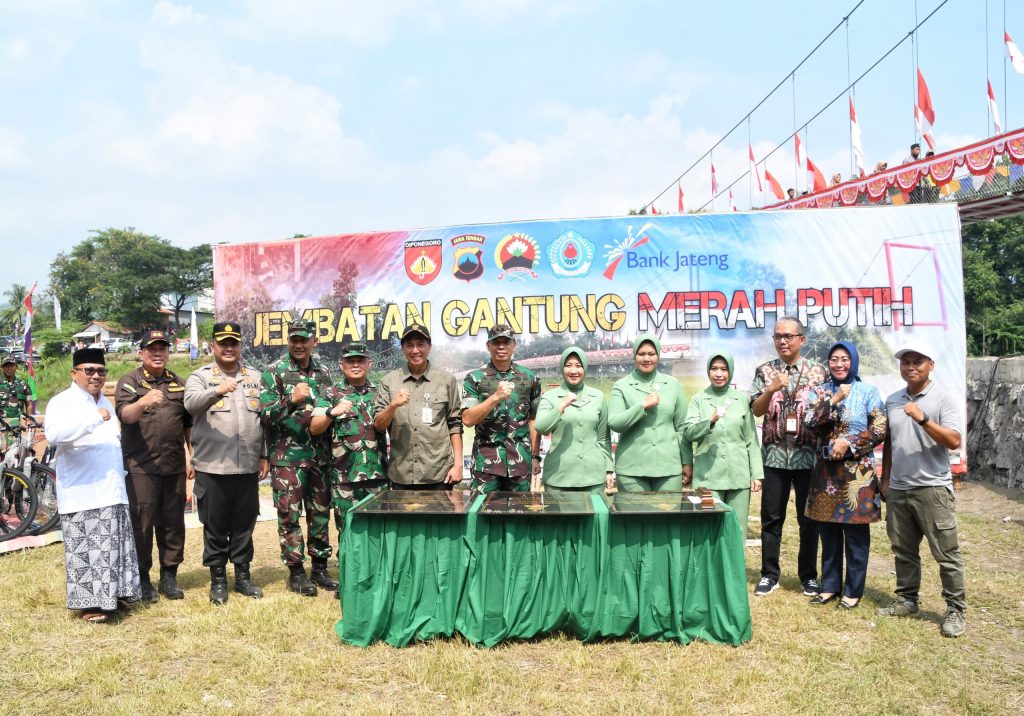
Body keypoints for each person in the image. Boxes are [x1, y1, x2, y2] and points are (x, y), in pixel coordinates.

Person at [877, 341, 966, 638]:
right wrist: (885, 477)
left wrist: (923, 418)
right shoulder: (893, 400)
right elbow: (890, 442)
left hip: (933, 489)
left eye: (918, 361)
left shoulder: (942, 399)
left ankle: (955, 609)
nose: (911, 367)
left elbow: (954, 441)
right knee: (903, 549)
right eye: (906, 362)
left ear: (931, 365)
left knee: (946, 553)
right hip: (900, 489)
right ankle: (907, 599)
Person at [45, 348, 140, 622]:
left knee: (112, 547)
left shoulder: (105, 403)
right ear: (74, 374)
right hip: (83, 491)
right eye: (89, 370)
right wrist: (94, 417)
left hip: (111, 488)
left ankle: (112, 598)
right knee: (88, 550)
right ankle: (91, 605)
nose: (96, 376)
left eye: (101, 371)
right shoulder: (62, 402)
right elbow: (54, 434)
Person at [184, 322, 267, 605]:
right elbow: (191, 405)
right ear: (213, 346)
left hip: (247, 466)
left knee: (244, 524)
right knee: (216, 525)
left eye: (234, 343)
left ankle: (243, 576)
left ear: (240, 345)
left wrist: (264, 454)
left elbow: (263, 419)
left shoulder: (255, 377)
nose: (229, 348)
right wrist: (217, 390)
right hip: (213, 466)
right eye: (223, 343)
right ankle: (218, 580)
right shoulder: (200, 376)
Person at [803, 341, 886, 609]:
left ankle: (853, 591)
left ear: (854, 361)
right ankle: (829, 587)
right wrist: (833, 399)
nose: (839, 364)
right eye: (834, 359)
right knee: (827, 532)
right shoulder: (820, 390)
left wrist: (849, 443)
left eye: (844, 359)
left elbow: (881, 428)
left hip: (857, 475)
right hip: (825, 474)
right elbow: (809, 423)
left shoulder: (868, 391)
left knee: (855, 535)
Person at [749, 317, 827, 597]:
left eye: (788, 336)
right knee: (771, 519)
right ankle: (770, 574)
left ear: (801, 339)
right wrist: (771, 389)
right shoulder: (765, 371)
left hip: (808, 459)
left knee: (808, 520)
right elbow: (756, 411)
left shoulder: (819, 372)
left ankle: (808, 576)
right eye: (777, 336)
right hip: (774, 459)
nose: (782, 341)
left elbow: (826, 413)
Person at [115, 329, 193, 603]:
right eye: (152, 349)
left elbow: (187, 425)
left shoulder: (179, 383)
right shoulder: (129, 382)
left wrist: (191, 454)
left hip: (173, 465)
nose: (158, 353)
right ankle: (143, 578)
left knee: (173, 523)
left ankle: (169, 576)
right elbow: (125, 415)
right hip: (141, 467)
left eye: (162, 349)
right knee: (142, 524)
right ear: (142, 353)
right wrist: (144, 401)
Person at [259, 319, 334, 597]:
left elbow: (330, 408)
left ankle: (320, 567)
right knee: (289, 515)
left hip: (320, 457)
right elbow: (264, 415)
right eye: (294, 340)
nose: (298, 345)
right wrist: (290, 400)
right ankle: (296, 572)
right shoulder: (274, 372)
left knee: (319, 514)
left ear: (314, 341)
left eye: (304, 340)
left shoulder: (324, 373)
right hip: (287, 458)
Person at [311, 341, 388, 541]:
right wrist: (331, 413)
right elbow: (315, 427)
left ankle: (377, 573)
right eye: (350, 361)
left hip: (378, 477)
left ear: (369, 364)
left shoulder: (380, 392)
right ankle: (349, 572)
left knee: (379, 532)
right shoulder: (330, 394)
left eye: (360, 360)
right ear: (341, 365)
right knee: (347, 532)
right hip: (344, 479)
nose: (355, 365)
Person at [373, 324, 463, 489]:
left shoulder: (445, 380)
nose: (415, 350)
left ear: (429, 347)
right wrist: (393, 405)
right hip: (402, 474)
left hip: (439, 474)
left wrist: (458, 465)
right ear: (402, 349)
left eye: (420, 344)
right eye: (409, 345)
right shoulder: (389, 381)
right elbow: (379, 425)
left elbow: (455, 424)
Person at [683, 352, 762, 536]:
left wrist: (756, 474)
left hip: (738, 476)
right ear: (708, 371)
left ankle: (735, 566)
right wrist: (709, 421)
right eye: (714, 368)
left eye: (724, 369)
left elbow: (751, 439)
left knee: (736, 529)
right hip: (708, 478)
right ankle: (709, 566)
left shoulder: (741, 399)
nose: (719, 374)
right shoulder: (698, 399)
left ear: (731, 372)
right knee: (708, 528)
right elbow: (689, 433)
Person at [462, 324, 541, 492]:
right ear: (488, 346)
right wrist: (495, 398)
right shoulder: (475, 378)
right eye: (496, 342)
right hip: (486, 463)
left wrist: (535, 456)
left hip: (520, 462)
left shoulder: (530, 378)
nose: (501, 346)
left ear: (514, 345)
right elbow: (468, 419)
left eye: (506, 342)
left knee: (519, 515)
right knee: (483, 513)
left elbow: (533, 419)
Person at [608, 334, 692, 492]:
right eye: (641, 354)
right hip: (631, 469)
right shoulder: (621, 386)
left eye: (651, 354)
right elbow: (614, 423)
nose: (646, 358)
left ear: (658, 356)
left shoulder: (673, 385)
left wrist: (687, 461)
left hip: (669, 468)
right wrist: (642, 405)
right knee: (637, 517)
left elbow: (681, 427)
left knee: (668, 513)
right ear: (634, 356)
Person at [534, 347, 614, 495]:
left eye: (578, 366)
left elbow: (603, 437)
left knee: (594, 517)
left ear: (585, 368)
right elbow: (541, 427)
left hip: (594, 476)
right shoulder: (550, 397)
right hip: (559, 477)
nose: (573, 371)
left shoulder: (598, 397)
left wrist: (609, 469)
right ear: (562, 367)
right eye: (568, 365)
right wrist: (561, 405)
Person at [0, 352, 30, 448]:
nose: (9, 368)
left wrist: (28, 420)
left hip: (18, 426)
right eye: (6, 365)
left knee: (18, 454)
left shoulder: (23, 385)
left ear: (16, 366)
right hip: (1, 425)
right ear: (1, 367)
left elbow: (29, 404)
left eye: (11, 365)